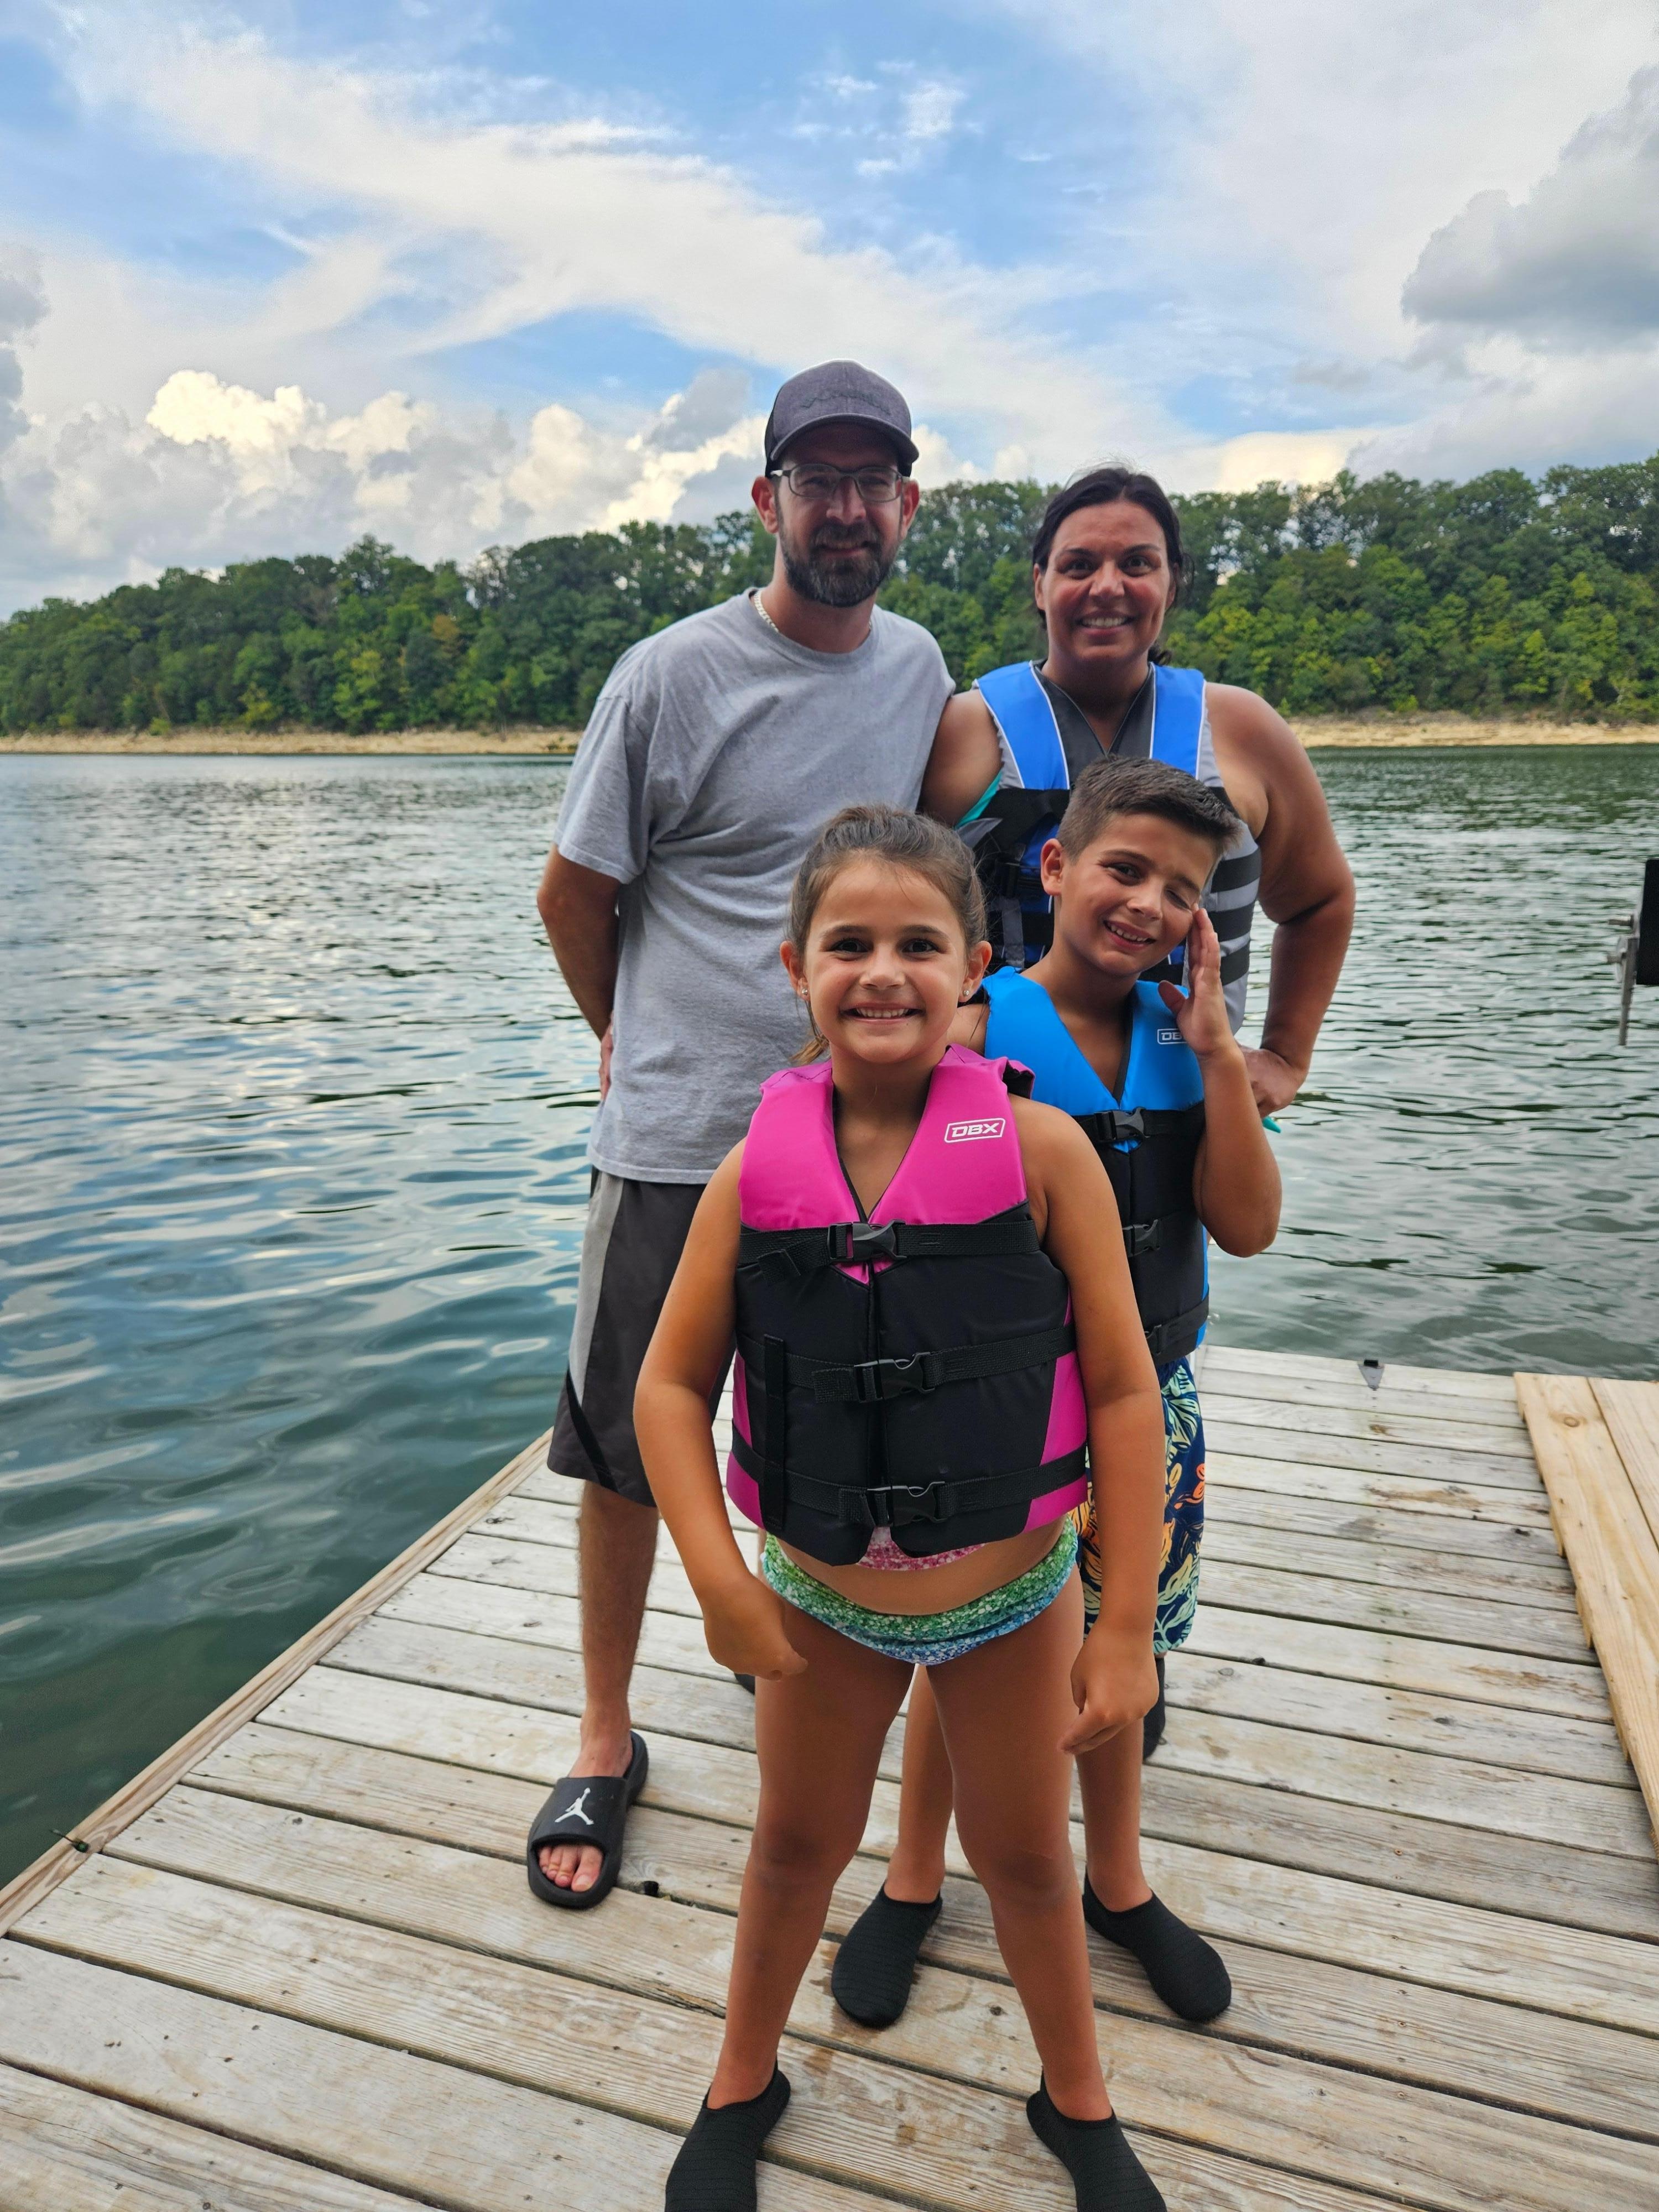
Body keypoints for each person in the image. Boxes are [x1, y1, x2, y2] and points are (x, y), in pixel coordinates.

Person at [637, 806, 1170, 2212]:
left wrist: (1120, 1625)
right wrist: (717, 1576)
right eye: (847, 945)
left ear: (974, 965)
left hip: (1013, 1601)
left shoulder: (1045, 1150)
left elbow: (1121, 1392)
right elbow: (665, 1391)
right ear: (792, 966)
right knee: (792, 1851)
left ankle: (1076, 2098)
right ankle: (741, 2077)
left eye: (917, 944)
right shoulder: (754, 1172)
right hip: (817, 1608)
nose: (882, 973)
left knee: (1026, 1866)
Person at [524, 364, 959, 1907]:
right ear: (766, 500)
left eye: (873, 479)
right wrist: (621, 1037)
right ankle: (601, 1730)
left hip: (851, 1141)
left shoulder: (919, 673)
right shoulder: (668, 675)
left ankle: (792, 1660)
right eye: (814, 478)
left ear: (909, 504)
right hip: (675, 1137)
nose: (844, 507)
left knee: (831, 1421)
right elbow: (576, 892)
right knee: (626, 1442)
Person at [832, 755, 1280, 2036]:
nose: (1142, 902)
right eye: (1121, 868)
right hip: (998, 1412)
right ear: (1055, 868)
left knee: (1116, 1648)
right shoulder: (972, 1035)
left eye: (1178, 888)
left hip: (1151, 1399)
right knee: (956, 1645)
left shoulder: (1188, 1048)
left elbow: (1243, 1226)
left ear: (1202, 917)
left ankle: (1117, 1878)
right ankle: (913, 1877)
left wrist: (1217, 1054)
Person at [920, 465, 1354, 1114]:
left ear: (1171, 583)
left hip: (1184, 1116)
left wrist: (1287, 1056)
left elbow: (1320, 900)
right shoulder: (962, 731)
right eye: (1078, 565)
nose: (1107, 586)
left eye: (1137, 563)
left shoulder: (1245, 732)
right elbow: (886, 909)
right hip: (997, 1115)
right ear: (1040, 584)